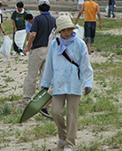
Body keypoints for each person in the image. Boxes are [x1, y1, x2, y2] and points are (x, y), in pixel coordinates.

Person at [40, 15, 93, 151]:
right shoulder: (54, 45)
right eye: (64, 30)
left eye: (69, 29)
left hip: (74, 83)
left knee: (72, 115)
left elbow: (85, 65)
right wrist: (45, 83)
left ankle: (70, 144)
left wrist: (88, 83)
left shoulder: (80, 44)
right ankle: (63, 136)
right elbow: (49, 66)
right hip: (58, 84)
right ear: (59, 31)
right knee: (56, 112)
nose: (67, 32)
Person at [20, 0, 56, 104]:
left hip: (38, 49)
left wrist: (27, 46)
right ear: (49, 8)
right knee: (45, 75)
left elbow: (33, 34)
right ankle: (43, 97)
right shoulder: (53, 20)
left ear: (39, 8)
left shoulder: (38, 19)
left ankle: (27, 97)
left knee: (32, 74)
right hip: (49, 49)